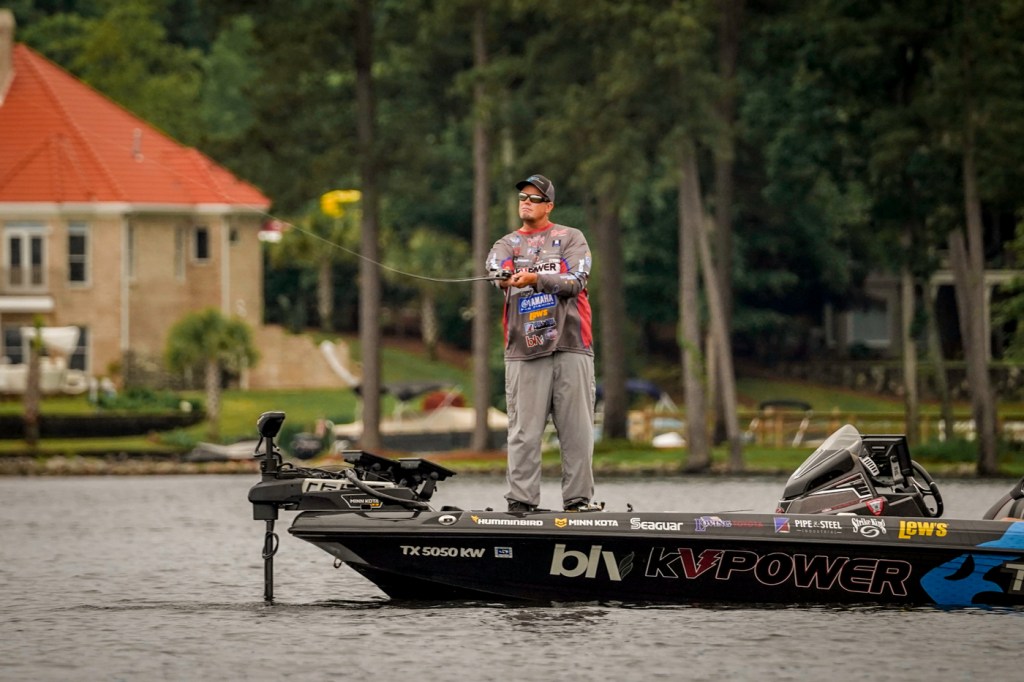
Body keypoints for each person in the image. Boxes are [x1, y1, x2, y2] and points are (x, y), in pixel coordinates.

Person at [486, 174, 599, 513]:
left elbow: (576, 280)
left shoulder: (571, 237)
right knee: (523, 431)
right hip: (524, 349)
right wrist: (503, 276)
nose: (526, 202)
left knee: (577, 430)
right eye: (522, 197)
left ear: (549, 206)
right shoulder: (506, 243)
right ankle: (521, 502)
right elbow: (495, 269)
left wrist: (535, 278)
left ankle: (578, 501)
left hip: (572, 344)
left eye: (534, 198)